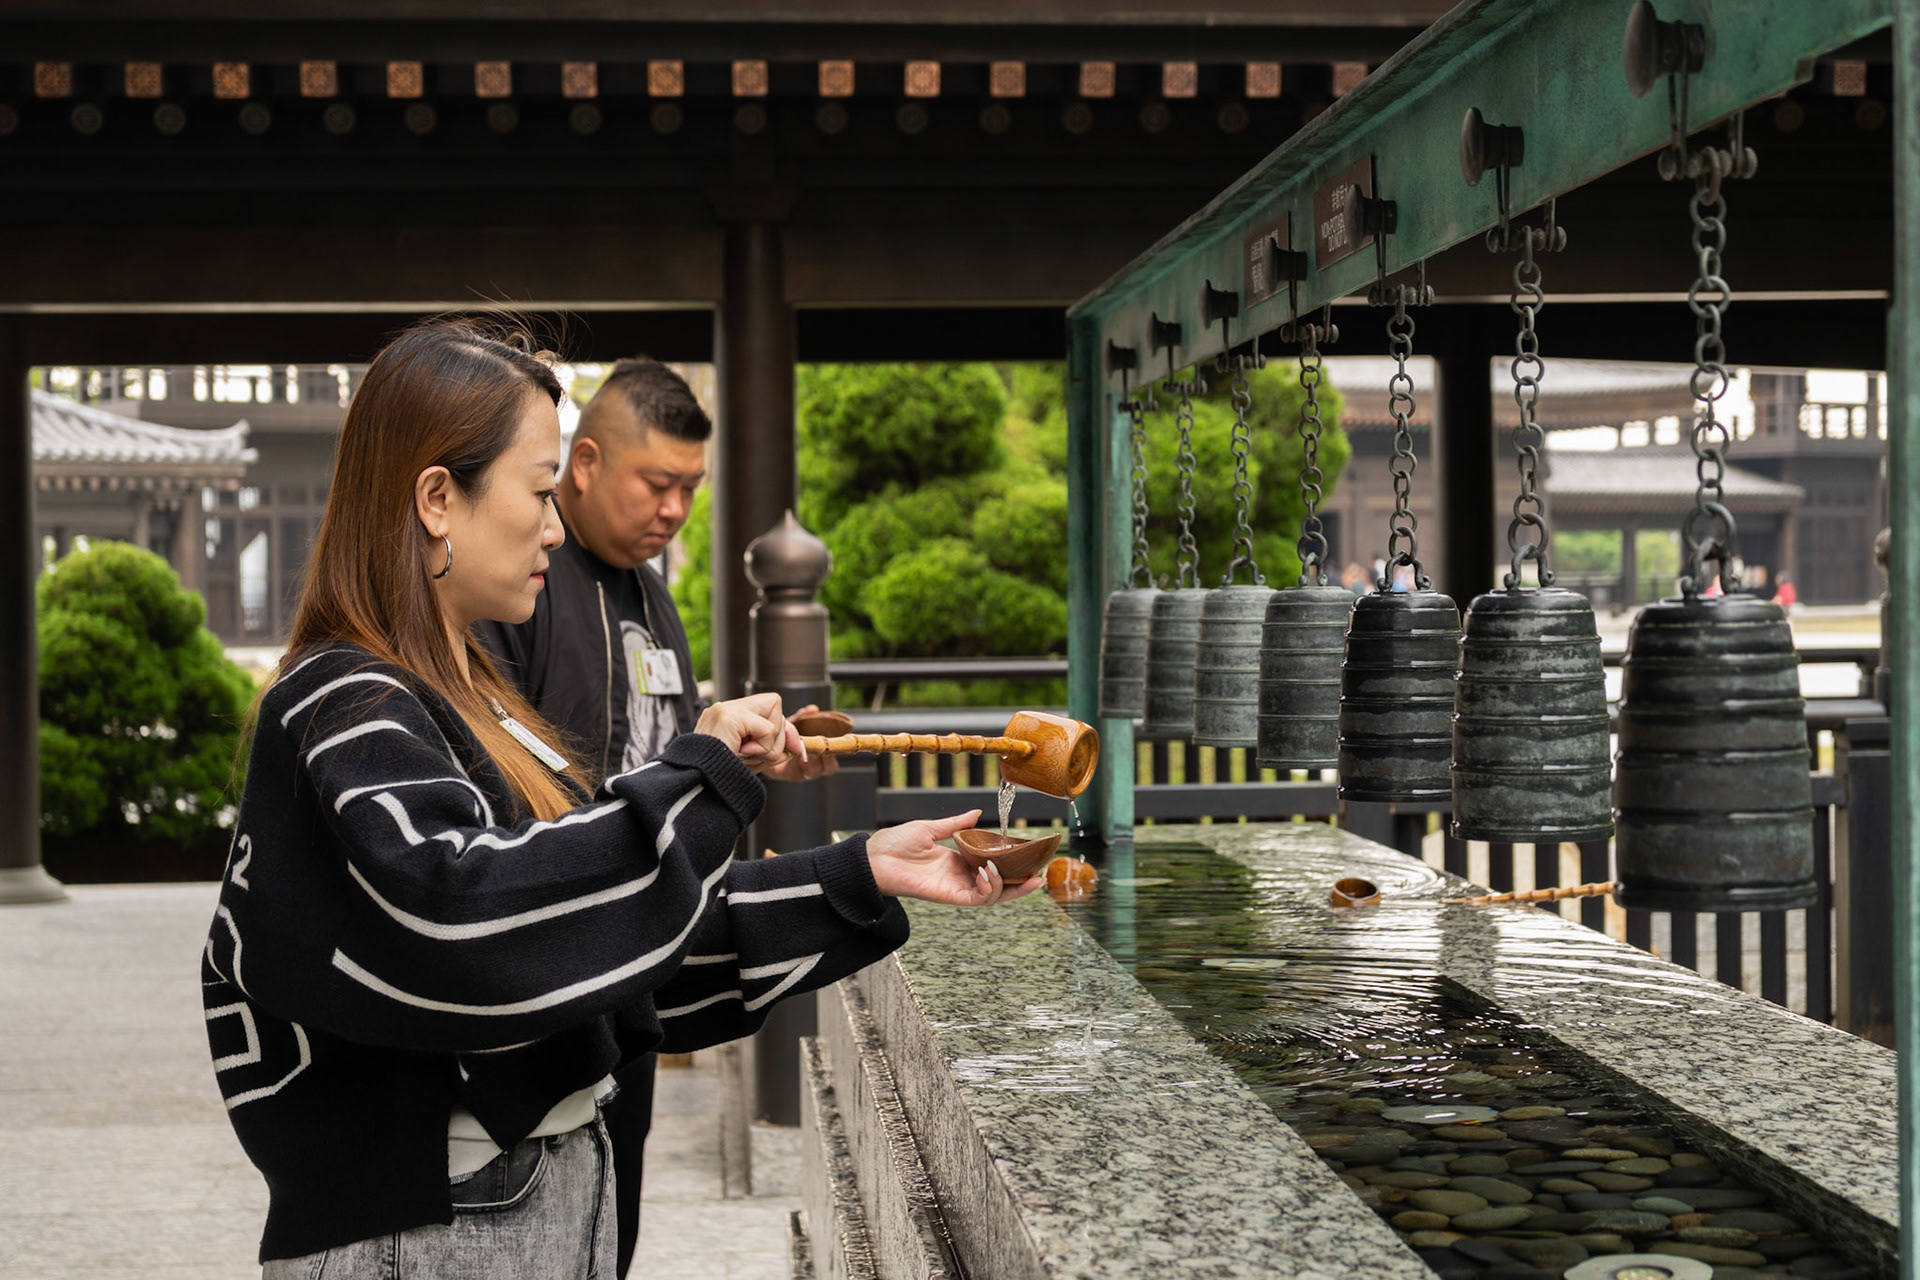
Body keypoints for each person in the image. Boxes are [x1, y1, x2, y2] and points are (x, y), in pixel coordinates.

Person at [201, 318, 1032, 1277]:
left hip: (527, 1196)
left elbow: (602, 938)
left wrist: (859, 874)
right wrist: (704, 775)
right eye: (540, 492)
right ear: (438, 498)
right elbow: (469, 924)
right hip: (435, 1225)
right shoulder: (343, 701)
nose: (554, 526)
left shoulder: (470, 695)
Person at [472, 357, 830, 1278]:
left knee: (613, 1207)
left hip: (634, 966)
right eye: (657, 483)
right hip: (553, 951)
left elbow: (669, 746)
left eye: (690, 489)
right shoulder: (519, 587)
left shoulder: (648, 592)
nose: (674, 509)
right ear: (582, 465)